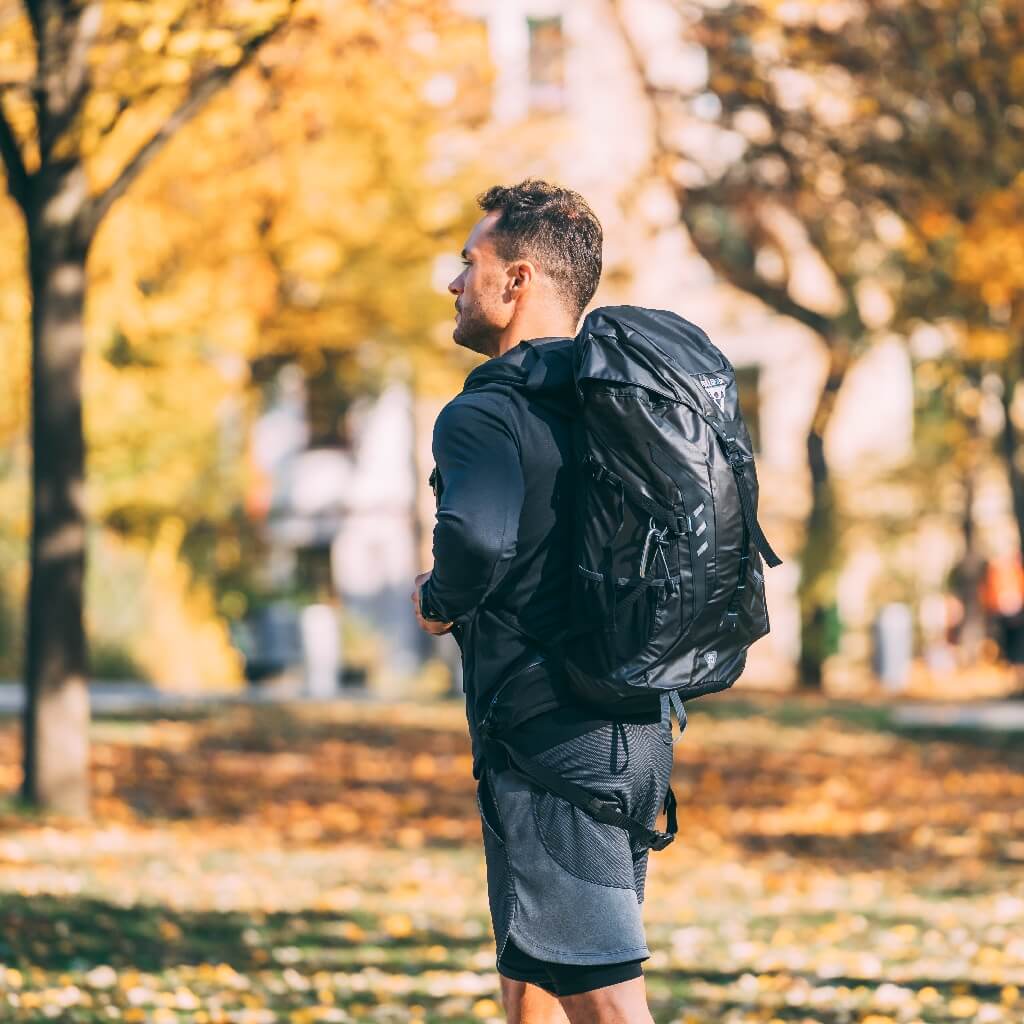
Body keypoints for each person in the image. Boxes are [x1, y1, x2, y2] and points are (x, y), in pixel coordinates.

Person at [411, 180, 674, 1024]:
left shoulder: (485, 413)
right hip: (635, 730)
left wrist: (438, 599)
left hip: (547, 738)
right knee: (535, 978)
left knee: (606, 1002)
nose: (454, 284)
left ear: (516, 280)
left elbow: (478, 541)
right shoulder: (620, 403)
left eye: (468, 264)